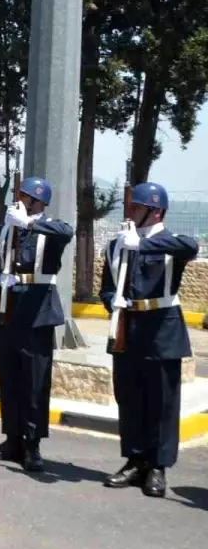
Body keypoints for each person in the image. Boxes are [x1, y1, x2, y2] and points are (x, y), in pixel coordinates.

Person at [99, 181, 198, 498]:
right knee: (128, 399)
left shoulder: (169, 243)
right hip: (127, 328)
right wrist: (112, 300)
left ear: (156, 211)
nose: (132, 212)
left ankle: (158, 467)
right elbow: (106, 286)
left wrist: (143, 245)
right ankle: (135, 460)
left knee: (163, 403)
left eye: (138, 207)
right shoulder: (116, 245)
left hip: (162, 330)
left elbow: (190, 248)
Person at [0, 177, 73, 471]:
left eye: (24, 196)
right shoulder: (3, 232)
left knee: (35, 381)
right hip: (8, 309)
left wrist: (30, 224)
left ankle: (32, 443)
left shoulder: (50, 229)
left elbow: (67, 232)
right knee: (9, 377)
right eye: (17, 195)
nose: (18, 200)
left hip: (38, 310)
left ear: (39, 202)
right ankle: (12, 438)